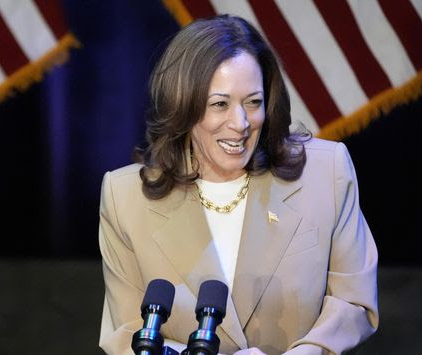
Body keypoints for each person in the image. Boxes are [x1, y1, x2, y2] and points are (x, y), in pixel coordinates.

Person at [98, 15, 378, 355]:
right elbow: (125, 330)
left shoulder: (325, 171)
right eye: (220, 104)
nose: (241, 123)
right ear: (182, 104)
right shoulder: (125, 196)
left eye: (253, 102)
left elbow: (354, 302)